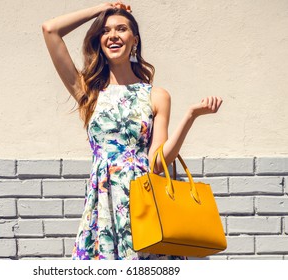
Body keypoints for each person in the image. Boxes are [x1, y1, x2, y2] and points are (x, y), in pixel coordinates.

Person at [42, 2, 222, 260]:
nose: (113, 35)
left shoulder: (156, 96)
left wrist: (190, 117)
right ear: (99, 41)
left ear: (134, 40)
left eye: (121, 29)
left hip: (144, 202)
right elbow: (50, 30)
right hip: (102, 205)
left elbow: (158, 163)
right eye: (105, 31)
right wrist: (100, 9)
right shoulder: (89, 92)